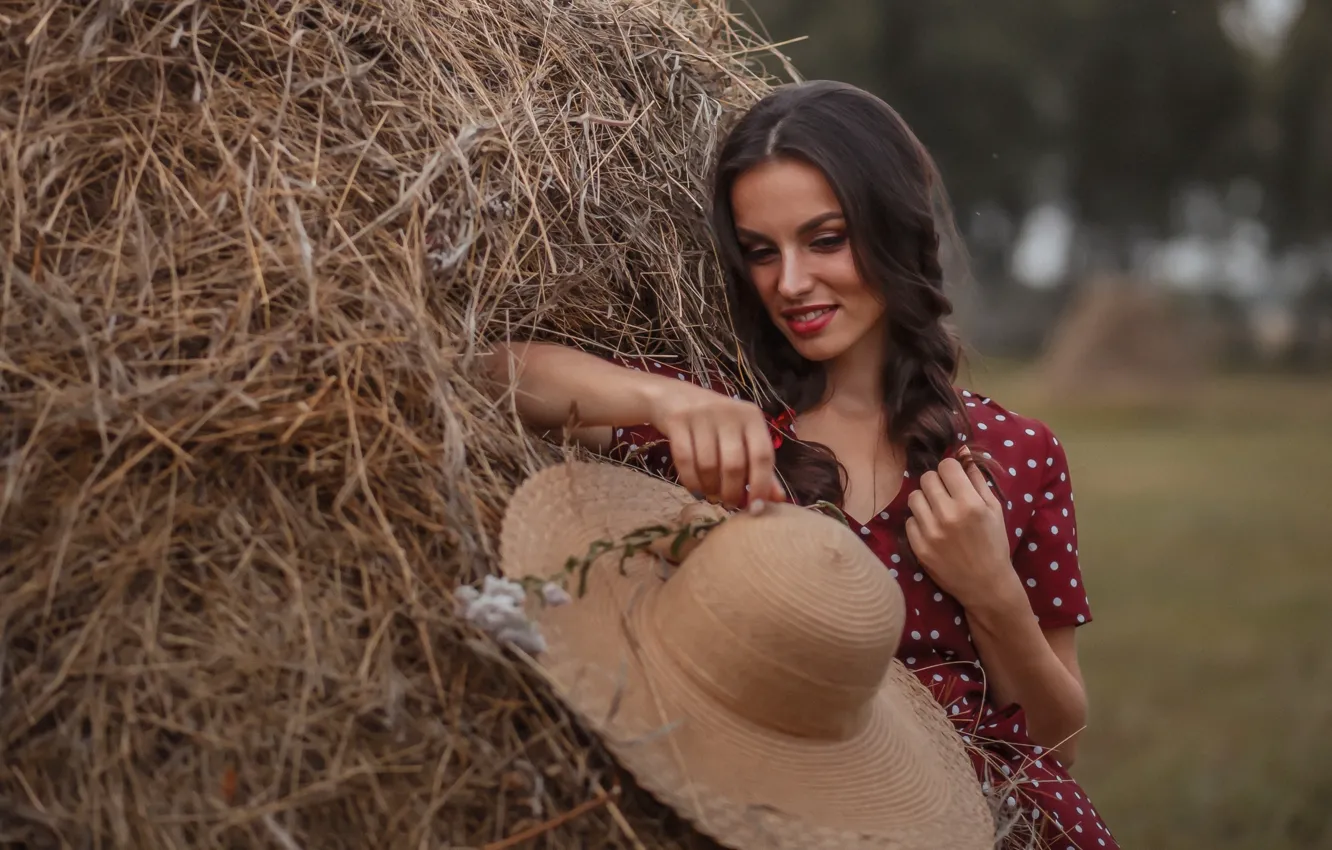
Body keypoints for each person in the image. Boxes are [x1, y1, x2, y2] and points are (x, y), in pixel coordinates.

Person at [483, 80, 1117, 850]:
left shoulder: (1016, 453)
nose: (789, 283)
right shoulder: (731, 423)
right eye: (760, 251)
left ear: (894, 229)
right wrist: (660, 400)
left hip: (991, 825)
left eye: (825, 239)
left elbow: (1060, 740)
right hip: (774, 811)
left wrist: (994, 594)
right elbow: (497, 374)